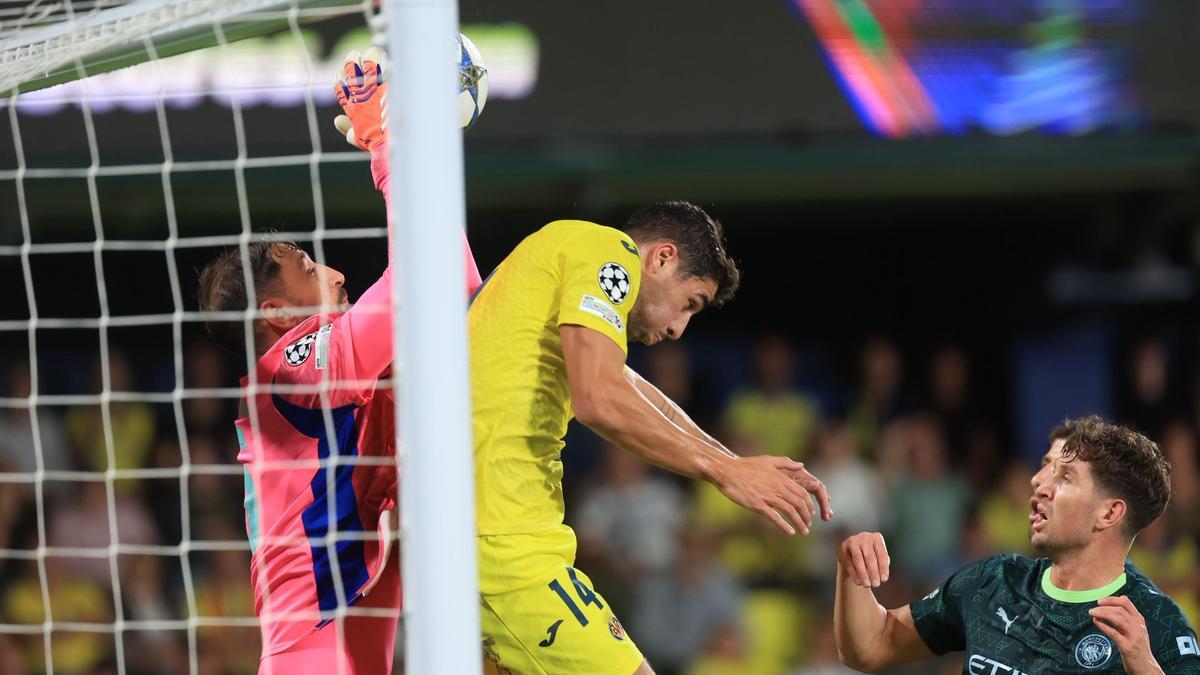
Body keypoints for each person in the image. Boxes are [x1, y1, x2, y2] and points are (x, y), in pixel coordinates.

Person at [196, 49, 482, 673]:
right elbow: (436, 278)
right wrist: (386, 144)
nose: (334, 272)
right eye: (307, 267)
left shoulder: (306, 379)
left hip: (343, 620)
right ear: (275, 312)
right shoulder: (295, 366)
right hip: (312, 646)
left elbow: (451, 283)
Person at [469, 196, 832, 674]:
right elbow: (598, 399)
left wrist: (734, 462)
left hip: (481, 529)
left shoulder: (563, 265)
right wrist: (725, 471)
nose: (680, 328)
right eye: (689, 304)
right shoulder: (607, 250)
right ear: (661, 258)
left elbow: (633, 391)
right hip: (502, 538)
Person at [832, 415, 1200, 674]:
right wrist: (852, 572)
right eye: (1047, 470)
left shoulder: (1157, 625)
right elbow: (870, 647)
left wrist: (1145, 667)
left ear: (1108, 514)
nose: (1039, 484)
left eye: (1066, 478)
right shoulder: (992, 581)